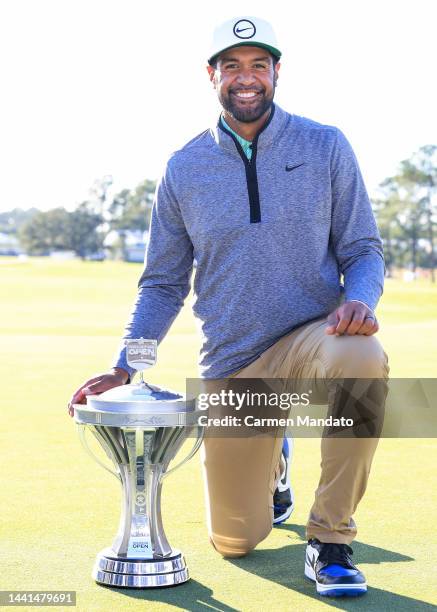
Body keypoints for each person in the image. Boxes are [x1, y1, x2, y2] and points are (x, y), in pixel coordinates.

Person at [69, 16, 389, 598]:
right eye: (233, 66)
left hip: (312, 337)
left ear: (276, 73)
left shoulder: (325, 145)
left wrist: (360, 301)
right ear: (212, 75)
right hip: (232, 364)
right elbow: (163, 282)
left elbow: (363, 248)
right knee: (236, 540)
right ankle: (275, 467)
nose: (247, 78)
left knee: (363, 355)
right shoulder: (184, 167)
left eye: (259, 65)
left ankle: (331, 540)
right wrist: (125, 366)